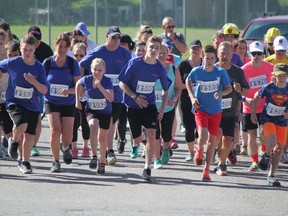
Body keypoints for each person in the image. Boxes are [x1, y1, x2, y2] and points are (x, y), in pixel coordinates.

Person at [119, 36, 169, 182]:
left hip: (150, 105)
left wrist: (162, 108)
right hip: (133, 105)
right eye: (152, 47)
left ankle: (147, 168)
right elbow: (122, 83)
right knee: (137, 137)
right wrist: (135, 97)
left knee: (152, 134)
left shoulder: (159, 68)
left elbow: (165, 91)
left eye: (157, 48)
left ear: (160, 51)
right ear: (146, 48)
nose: (154, 50)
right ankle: (136, 143)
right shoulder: (134, 63)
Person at [79, 26, 131, 165]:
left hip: (116, 95)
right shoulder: (98, 51)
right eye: (113, 37)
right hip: (99, 95)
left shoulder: (124, 53)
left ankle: (108, 150)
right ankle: (106, 151)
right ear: (107, 36)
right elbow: (82, 64)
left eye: (118, 37)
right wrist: (85, 84)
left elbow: (130, 70)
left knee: (111, 123)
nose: (116, 40)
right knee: (100, 125)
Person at [0, 34, 48, 173]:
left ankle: (25, 162)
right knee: (22, 124)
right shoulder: (12, 62)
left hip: (32, 104)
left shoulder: (39, 67)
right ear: (20, 49)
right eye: (25, 49)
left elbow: (44, 89)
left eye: (30, 50)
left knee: (29, 136)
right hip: (14, 102)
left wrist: (34, 82)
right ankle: (14, 141)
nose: (27, 53)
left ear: (34, 51)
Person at [186, 45, 232, 181]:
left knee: (212, 141)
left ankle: (206, 170)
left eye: (212, 58)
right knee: (203, 136)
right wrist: (192, 97)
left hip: (216, 111)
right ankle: (199, 150)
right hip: (201, 108)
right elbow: (188, 81)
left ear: (215, 58)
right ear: (203, 58)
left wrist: (221, 92)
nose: (210, 61)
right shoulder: (196, 71)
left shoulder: (221, 72)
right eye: (207, 58)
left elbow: (229, 88)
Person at [43, 33, 81, 172]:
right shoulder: (47, 63)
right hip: (51, 101)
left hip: (68, 102)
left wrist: (68, 91)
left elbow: (78, 85)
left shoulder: (72, 63)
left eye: (65, 47)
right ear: (55, 46)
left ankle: (65, 147)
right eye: (60, 46)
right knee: (54, 130)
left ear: (68, 47)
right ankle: (55, 161)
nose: (62, 49)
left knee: (67, 134)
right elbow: (41, 81)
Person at [214, 41, 249, 176]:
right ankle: (218, 152)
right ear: (218, 54)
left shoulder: (238, 71)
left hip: (230, 111)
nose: (225, 56)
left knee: (227, 139)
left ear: (232, 55)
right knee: (217, 136)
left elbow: (246, 92)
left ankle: (221, 164)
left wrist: (240, 89)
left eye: (228, 53)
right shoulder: (213, 69)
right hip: (214, 110)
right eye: (222, 53)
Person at [251, 63, 288, 186]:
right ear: (274, 76)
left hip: (282, 121)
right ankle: (266, 155)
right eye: (279, 76)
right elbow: (256, 96)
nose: (281, 78)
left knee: (279, 149)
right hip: (268, 119)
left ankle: (271, 175)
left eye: (283, 76)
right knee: (272, 142)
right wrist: (253, 113)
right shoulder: (269, 87)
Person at [76, 58, 114, 175]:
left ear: (104, 71)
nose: (97, 72)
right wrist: (77, 100)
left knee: (102, 138)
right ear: (91, 69)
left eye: (100, 70)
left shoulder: (107, 81)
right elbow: (78, 84)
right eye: (94, 69)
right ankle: (93, 155)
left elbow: (111, 98)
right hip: (92, 110)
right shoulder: (87, 79)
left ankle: (102, 162)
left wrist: (100, 87)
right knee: (92, 128)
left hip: (105, 112)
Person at [241, 41, 273, 172]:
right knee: (252, 135)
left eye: (259, 53)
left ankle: (264, 151)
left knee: (264, 133)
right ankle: (254, 161)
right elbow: (240, 90)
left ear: (263, 54)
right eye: (254, 53)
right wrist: (245, 98)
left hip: (266, 107)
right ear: (250, 53)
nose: (256, 56)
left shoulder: (270, 68)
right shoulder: (244, 70)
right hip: (249, 107)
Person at [154, 42, 182, 169]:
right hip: (153, 106)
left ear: (168, 55)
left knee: (166, 135)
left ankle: (165, 150)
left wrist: (174, 99)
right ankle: (157, 158)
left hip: (168, 107)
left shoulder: (173, 70)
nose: (161, 55)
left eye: (164, 53)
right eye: (159, 52)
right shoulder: (150, 68)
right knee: (154, 133)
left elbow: (179, 87)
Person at [27, 26, 54, 157]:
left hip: (38, 88)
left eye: (37, 39)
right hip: (21, 87)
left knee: (36, 118)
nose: (35, 41)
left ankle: (33, 146)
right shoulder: (22, 48)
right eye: (32, 38)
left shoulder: (46, 50)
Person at [178, 39, 202, 162]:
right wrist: (188, 86)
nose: (195, 51)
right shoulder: (183, 65)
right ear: (189, 49)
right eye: (193, 48)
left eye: (197, 48)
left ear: (201, 50)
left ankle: (200, 151)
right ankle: (191, 152)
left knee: (201, 128)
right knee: (189, 127)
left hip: (203, 101)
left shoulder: (205, 64)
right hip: (186, 101)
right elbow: (178, 83)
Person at [70, 42, 90, 158]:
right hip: (73, 99)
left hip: (85, 99)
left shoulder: (88, 68)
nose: (78, 58)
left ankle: (85, 147)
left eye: (81, 56)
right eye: (76, 55)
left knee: (85, 122)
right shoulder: (71, 67)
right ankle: (74, 148)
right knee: (74, 123)